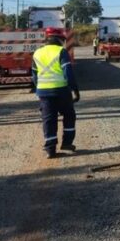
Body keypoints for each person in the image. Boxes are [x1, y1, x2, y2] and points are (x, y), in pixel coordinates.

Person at [31, 27, 80, 157]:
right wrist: (74, 89)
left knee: (48, 119)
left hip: (43, 92)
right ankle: (67, 143)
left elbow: (34, 76)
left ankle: (50, 148)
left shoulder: (37, 53)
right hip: (61, 90)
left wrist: (39, 89)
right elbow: (67, 72)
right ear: (60, 39)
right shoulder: (61, 51)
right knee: (69, 115)